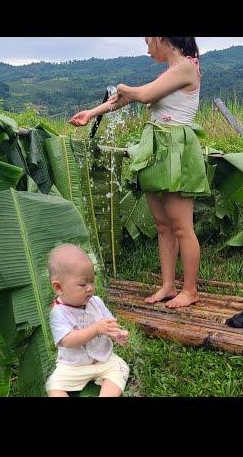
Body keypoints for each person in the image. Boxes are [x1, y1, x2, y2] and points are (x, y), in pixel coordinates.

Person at [70, 37, 210, 309]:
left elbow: (142, 95)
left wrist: (123, 86)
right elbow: (125, 100)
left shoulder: (186, 67)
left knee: (182, 226)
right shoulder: (168, 73)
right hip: (157, 147)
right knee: (162, 225)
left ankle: (190, 290)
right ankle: (168, 285)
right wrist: (91, 112)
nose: (147, 48)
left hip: (177, 149)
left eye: (148, 41)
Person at [45, 243, 130, 397]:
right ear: (59, 288)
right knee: (53, 385)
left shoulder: (96, 302)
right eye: (83, 284)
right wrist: (96, 329)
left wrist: (117, 334)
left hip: (103, 360)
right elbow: (68, 341)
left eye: (92, 281)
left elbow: (110, 324)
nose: (90, 288)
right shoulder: (58, 313)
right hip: (73, 366)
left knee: (121, 367)